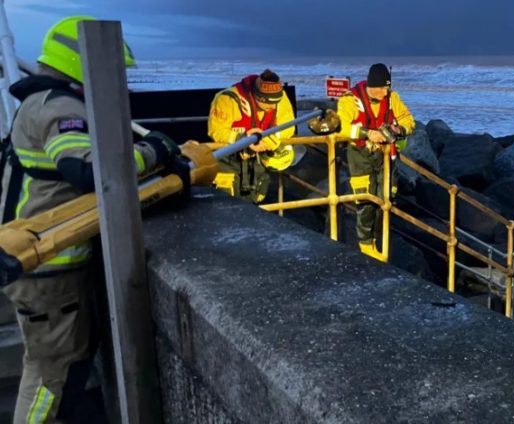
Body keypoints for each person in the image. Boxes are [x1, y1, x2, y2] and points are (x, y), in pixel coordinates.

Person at [0, 16, 185, 423]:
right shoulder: (61, 108)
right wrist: (154, 151)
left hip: (45, 264)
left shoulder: (42, 102)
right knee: (51, 373)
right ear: (85, 67)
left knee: (61, 364)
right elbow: (92, 170)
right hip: (48, 266)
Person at [336, 63, 415, 260]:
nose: (384, 93)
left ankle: (379, 238)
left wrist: (399, 130)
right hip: (360, 154)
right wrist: (367, 133)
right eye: (380, 89)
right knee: (365, 200)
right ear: (371, 85)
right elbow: (340, 126)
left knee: (386, 198)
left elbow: (407, 119)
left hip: (385, 156)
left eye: (386, 88)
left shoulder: (392, 98)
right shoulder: (349, 100)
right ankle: (366, 244)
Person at [207, 69, 296, 203]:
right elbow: (216, 130)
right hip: (228, 162)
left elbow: (289, 125)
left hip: (256, 164)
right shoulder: (227, 99)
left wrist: (272, 136)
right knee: (227, 204)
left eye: (275, 102)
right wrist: (243, 139)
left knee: (256, 200)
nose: (272, 107)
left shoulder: (280, 99)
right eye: (267, 102)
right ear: (256, 95)